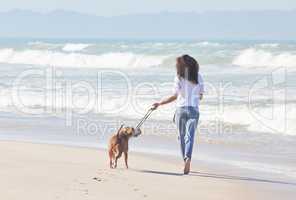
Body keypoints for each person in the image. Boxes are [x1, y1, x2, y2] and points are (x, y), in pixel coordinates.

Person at [152, 55, 204, 174]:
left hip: (181, 110)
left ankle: (185, 160)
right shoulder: (199, 77)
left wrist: (159, 103)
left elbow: (174, 96)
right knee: (190, 136)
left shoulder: (178, 78)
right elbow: (201, 96)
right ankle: (188, 159)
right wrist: (195, 96)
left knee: (181, 136)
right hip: (194, 111)